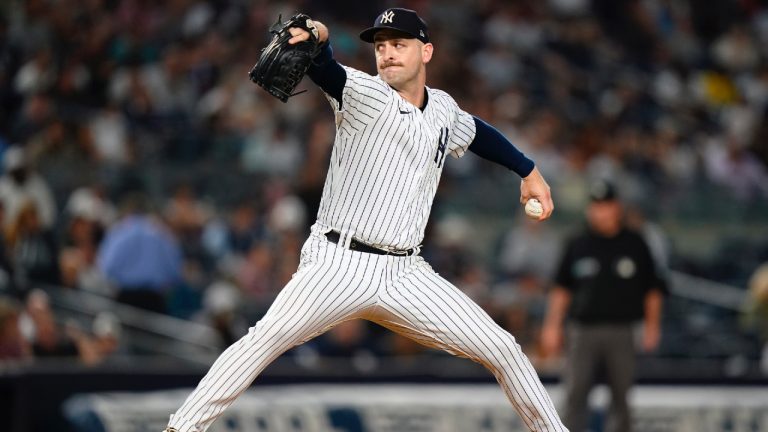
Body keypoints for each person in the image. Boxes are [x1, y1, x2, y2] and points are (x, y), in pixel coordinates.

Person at [164, 9, 565, 432]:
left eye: (399, 44)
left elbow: (477, 132)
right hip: (338, 263)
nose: (387, 54)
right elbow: (326, 67)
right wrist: (317, 33)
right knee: (263, 340)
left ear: (425, 51)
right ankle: (181, 428)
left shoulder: (443, 109)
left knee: (504, 349)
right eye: (380, 46)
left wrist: (529, 171)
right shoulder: (364, 94)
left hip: (406, 272)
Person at [541, 179, 666, 432]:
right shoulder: (577, 242)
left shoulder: (635, 243)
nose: (601, 211)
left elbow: (653, 290)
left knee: (621, 396)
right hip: (582, 330)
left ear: (617, 207)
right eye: (596, 205)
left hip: (622, 330)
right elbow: (561, 289)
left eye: (606, 205)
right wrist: (552, 326)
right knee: (575, 394)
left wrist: (652, 326)